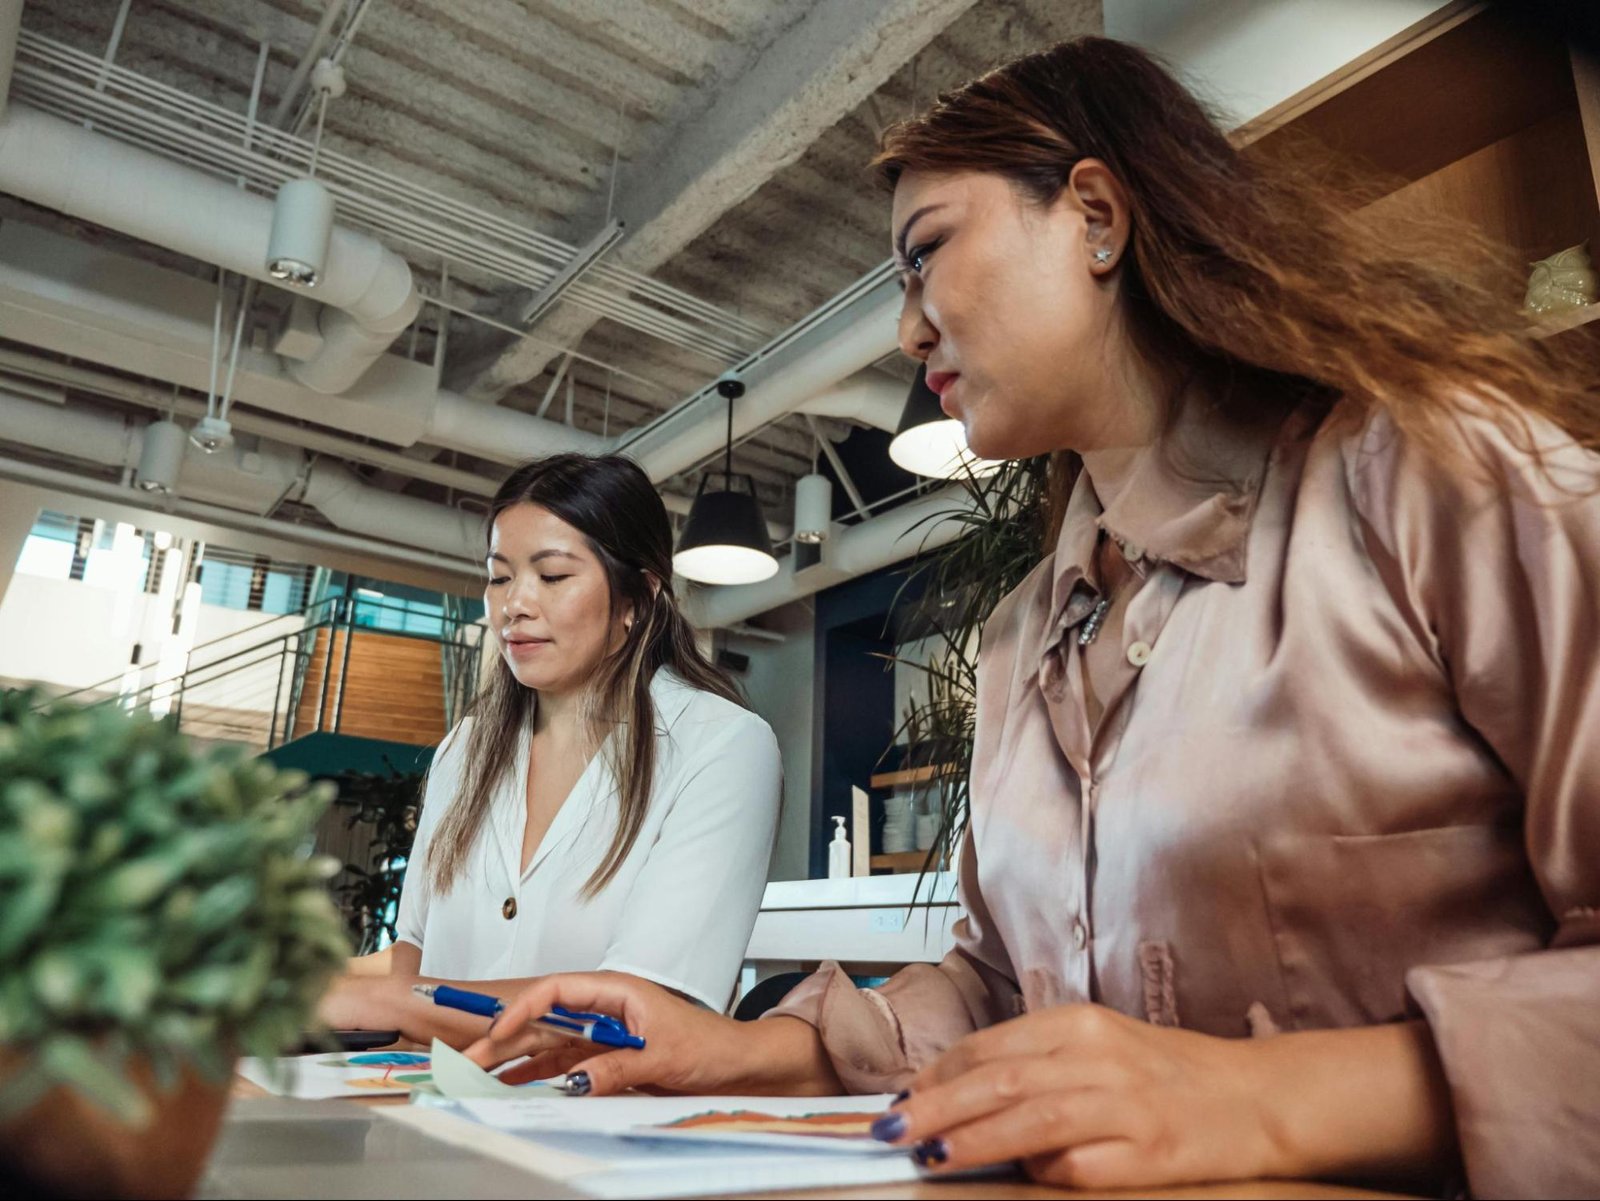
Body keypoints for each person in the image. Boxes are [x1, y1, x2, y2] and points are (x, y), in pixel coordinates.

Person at [464, 37, 1600, 1199]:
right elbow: (1003, 988)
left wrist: (1265, 1097)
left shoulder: (1435, 475)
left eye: (926, 256)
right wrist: (749, 1048)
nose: (909, 332)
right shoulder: (1022, 632)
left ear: (1095, 215)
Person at [319, 454, 782, 1043]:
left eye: (553, 576)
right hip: (430, 1104)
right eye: (499, 576)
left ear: (638, 597)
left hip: (596, 1120)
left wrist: (374, 1000)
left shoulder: (722, 746)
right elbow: (414, 954)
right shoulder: (465, 748)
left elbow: (642, 1010)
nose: (515, 604)